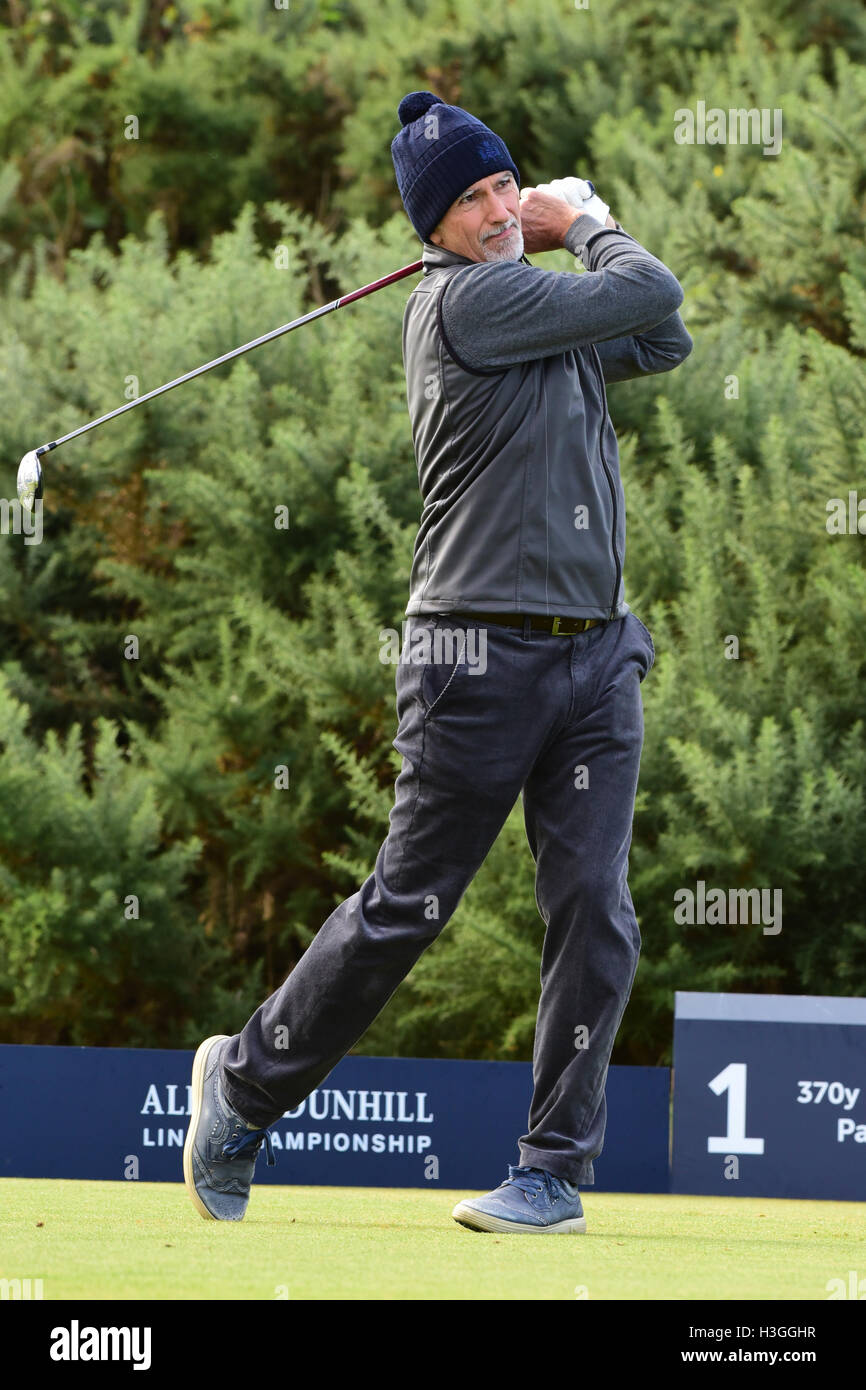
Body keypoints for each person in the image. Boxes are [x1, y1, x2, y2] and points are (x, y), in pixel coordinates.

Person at [183, 91, 692, 1233]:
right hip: (476, 652)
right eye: (469, 199)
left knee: (594, 911)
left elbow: (662, 337)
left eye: (505, 185)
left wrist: (569, 237)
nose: (499, 209)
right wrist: (586, 217)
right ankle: (244, 1083)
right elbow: (647, 289)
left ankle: (549, 1172)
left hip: (596, 654)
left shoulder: (532, 309)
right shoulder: (469, 305)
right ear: (432, 229)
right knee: (407, 904)